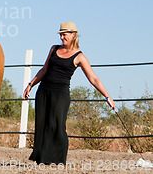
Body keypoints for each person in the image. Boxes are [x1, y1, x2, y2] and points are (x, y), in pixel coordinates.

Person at [23, 22, 116, 165]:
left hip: (61, 94)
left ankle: (59, 160)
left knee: (58, 125)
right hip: (43, 91)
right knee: (42, 124)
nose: (61, 37)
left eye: (64, 34)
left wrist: (107, 96)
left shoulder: (80, 57)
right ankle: (42, 159)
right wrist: (30, 85)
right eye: (60, 34)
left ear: (73, 35)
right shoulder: (53, 49)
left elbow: (93, 78)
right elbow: (44, 70)